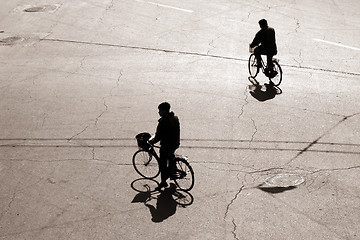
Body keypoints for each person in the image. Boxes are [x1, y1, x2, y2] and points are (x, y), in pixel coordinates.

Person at [149, 102, 180, 191]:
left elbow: (158, 136)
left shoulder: (163, 122)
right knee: (171, 157)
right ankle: (172, 172)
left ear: (165, 111)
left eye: (160, 111)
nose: (159, 112)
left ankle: (163, 182)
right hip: (175, 143)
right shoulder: (175, 118)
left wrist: (151, 141)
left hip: (167, 145)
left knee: (162, 163)